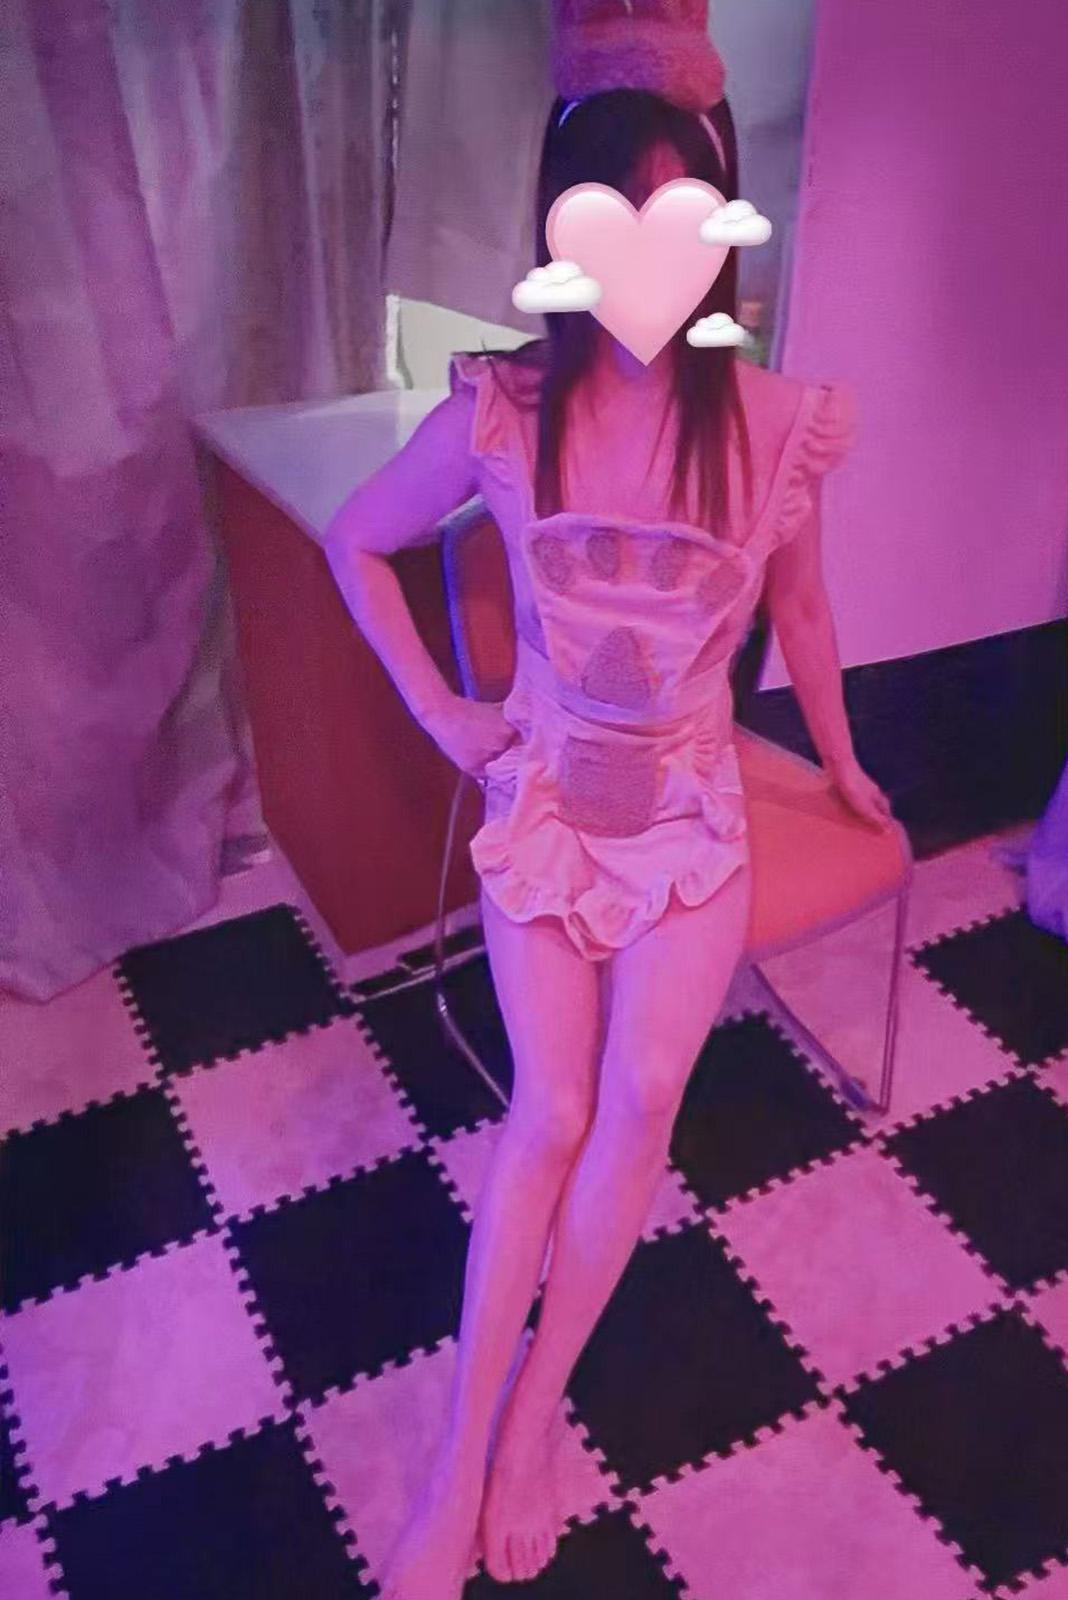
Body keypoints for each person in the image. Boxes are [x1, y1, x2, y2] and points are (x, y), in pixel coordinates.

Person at [323, 8, 890, 1595]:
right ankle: (458, 1457)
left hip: (694, 810)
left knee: (643, 1094)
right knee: (553, 1111)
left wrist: (843, 758)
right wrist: (445, 713)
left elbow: (806, 613)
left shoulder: (772, 424)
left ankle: (531, 1422)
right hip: (550, 801)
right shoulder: (504, 409)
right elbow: (356, 540)